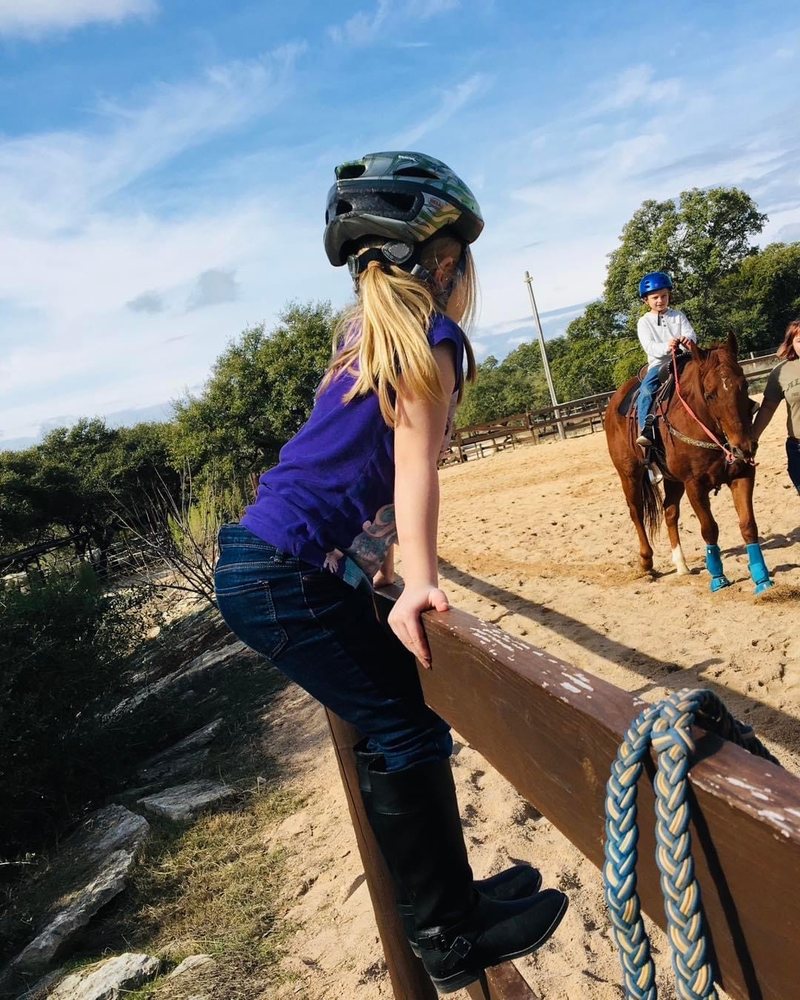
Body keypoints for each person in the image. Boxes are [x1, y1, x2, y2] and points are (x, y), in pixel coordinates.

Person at [213, 151, 568, 993]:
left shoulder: (359, 337)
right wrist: (417, 578)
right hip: (285, 572)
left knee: (395, 719)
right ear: (442, 263)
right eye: (461, 263)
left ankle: (452, 903)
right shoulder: (431, 340)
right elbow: (414, 472)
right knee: (407, 730)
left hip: (263, 562)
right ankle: (448, 936)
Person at [635, 271, 697, 448]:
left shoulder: (678, 316)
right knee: (646, 390)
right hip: (660, 363)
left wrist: (687, 341)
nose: (660, 300)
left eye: (664, 296)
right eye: (655, 297)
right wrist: (667, 346)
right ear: (645, 300)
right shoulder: (644, 322)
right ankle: (646, 430)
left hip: (684, 358)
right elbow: (649, 346)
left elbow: (690, 334)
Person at [751, 317, 800, 495]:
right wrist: (752, 440)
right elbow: (767, 409)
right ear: (791, 343)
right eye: (799, 340)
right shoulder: (781, 372)